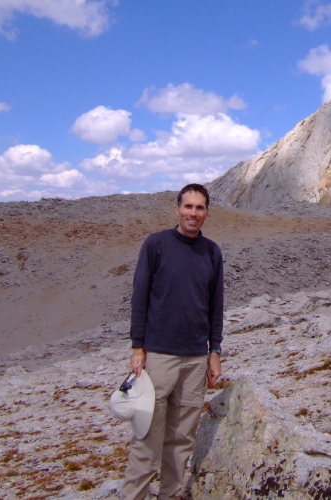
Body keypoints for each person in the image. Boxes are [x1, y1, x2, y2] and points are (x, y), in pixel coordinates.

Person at [121, 183, 224, 500]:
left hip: (195, 360)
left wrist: (214, 351)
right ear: (177, 209)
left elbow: (215, 305)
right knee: (147, 438)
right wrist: (138, 348)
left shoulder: (212, 252)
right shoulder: (157, 244)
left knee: (181, 440)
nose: (193, 213)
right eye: (188, 206)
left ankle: (171, 494)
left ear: (207, 213)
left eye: (200, 208)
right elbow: (140, 298)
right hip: (159, 357)